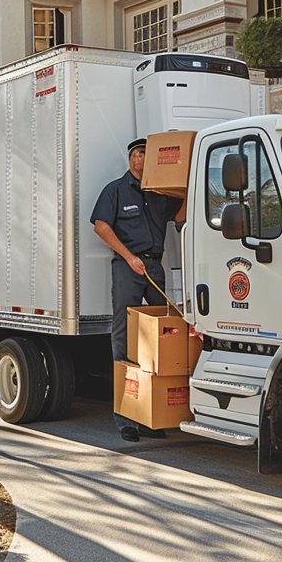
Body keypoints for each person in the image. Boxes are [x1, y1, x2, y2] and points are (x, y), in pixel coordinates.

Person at [91, 137, 186, 442]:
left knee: (162, 335)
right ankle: (124, 417)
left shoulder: (159, 194)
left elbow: (180, 217)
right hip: (128, 268)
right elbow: (101, 225)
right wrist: (129, 257)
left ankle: (149, 415)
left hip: (154, 268)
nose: (139, 159)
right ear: (129, 159)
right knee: (124, 338)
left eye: (144, 154)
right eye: (135, 154)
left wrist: (187, 187)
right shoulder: (115, 190)